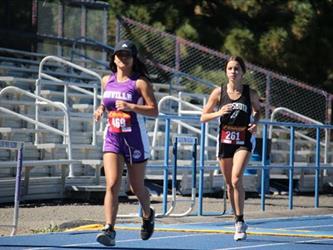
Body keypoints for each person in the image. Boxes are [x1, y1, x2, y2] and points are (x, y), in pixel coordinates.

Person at [94, 40, 158, 246]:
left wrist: (131, 106)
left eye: (127, 55)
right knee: (112, 183)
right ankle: (109, 229)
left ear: (133, 59)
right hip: (113, 137)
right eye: (119, 54)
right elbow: (106, 101)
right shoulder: (107, 81)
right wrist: (100, 109)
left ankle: (148, 215)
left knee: (135, 186)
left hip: (135, 139)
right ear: (114, 58)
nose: (123, 58)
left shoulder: (140, 83)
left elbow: (154, 110)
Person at [200, 56, 261, 241]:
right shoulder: (218, 92)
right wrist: (219, 112)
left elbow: (258, 111)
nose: (233, 72)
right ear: (226, 71)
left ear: (243, 72)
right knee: (228, 184)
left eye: (236, 69)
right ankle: (237, 219)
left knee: (236, 179)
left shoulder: (250, 93)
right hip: (225, 140)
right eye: (230, 68)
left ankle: (241, 221)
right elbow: (203, 116)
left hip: (244, 139)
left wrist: (255, 123)